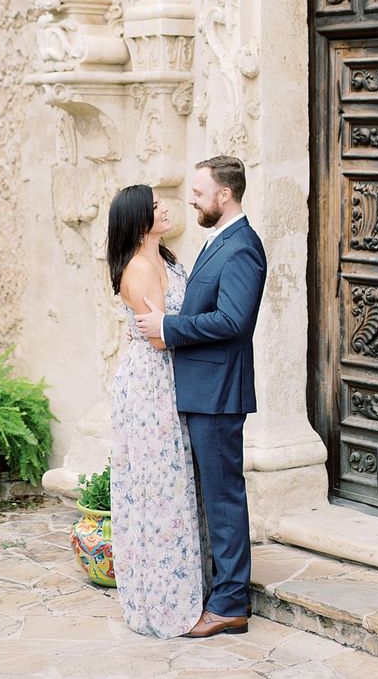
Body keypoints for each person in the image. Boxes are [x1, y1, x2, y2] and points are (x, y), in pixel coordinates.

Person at [135, 155, 267, 638]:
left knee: (224, 497)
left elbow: (235, 322)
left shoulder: (243, 248)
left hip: (218, 395)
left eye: (197, 191)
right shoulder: (220, 240)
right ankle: (219, 588)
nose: (189, 198)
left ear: (224, 195)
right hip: (203, 390)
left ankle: (231, 603)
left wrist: (168, 327)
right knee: (213, 497)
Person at [107, 184, 207, 639]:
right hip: (151, 383)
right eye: (154, 206)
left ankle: (184, 587)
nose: (164, 207)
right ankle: (164, 602)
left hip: (169, 377)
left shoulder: (164, 256)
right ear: (137, 219)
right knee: (158, 487)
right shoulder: (140, 268)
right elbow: (158, 338)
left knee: (175, 481)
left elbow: (169, 324)